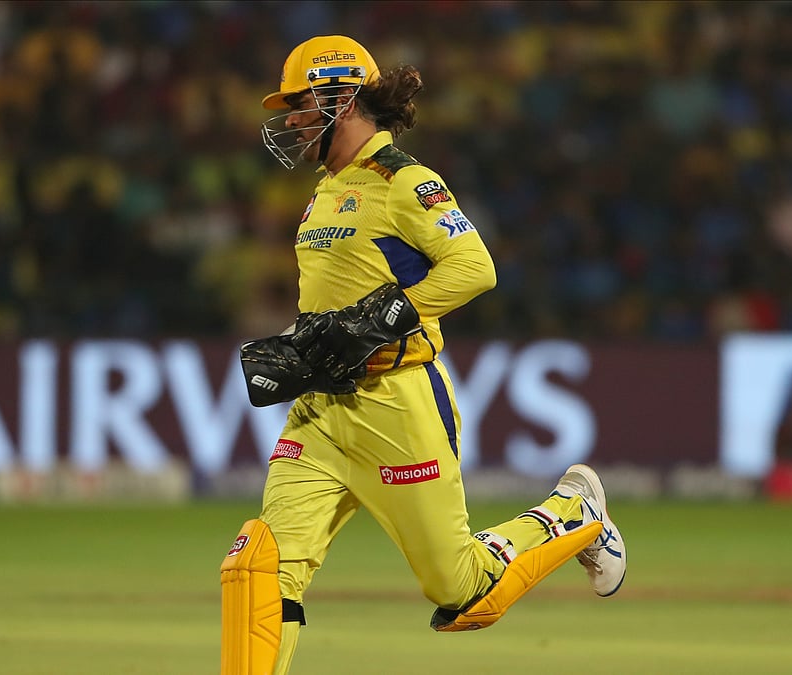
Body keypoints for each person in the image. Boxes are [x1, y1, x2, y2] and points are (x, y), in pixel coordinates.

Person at [220, 35, 627, 675]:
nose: (291, 119)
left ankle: (574, 512)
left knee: (464, 593)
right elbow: (340, 298)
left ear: (341, 99)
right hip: (323, 414)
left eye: (300, 104)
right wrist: (311, 346)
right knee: (261, 564)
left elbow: (474, 268)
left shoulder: (405, 182)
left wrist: (379, 319)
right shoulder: (328, 188)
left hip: (398, 404)